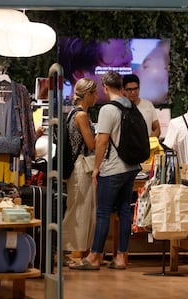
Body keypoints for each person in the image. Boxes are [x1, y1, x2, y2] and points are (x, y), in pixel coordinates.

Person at [70, 71, 140, 270]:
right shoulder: (130, 105)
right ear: (121, 86)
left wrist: (97, 168)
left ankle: (94, 257)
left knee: (103, 212)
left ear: (106, 87)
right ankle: (121, 257)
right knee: (125, 211)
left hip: (113, 168)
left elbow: (101, 141)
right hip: (131, 167)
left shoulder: (108, 109)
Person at [62, 78, 98, 264]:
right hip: (81, 165)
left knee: (79, 207)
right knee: (80, 208)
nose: (97, 97)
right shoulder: (81, 116)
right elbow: (90, 143)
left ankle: (75, 249)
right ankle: (72, 249)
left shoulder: (72, 113)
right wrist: (103, 136)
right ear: (88, 94)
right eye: (95, 93)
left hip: (77, 165)